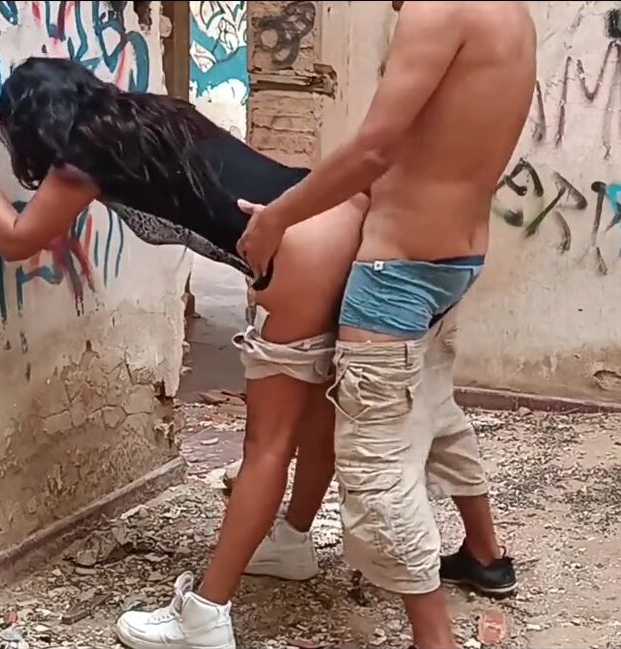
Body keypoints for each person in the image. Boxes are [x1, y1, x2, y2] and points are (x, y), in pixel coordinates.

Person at [0, 58, 362, 649]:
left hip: (298, 251)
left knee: (268, 445)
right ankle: (291, 541)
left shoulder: (84, 160)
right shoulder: (153, 115)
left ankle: (205, 615)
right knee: (317, 413)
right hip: (336, 214)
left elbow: (14, 238)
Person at [236, 2, 536, 647]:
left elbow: (376, 147)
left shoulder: (436, 10)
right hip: (456, 258)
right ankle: (484, 555)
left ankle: (433, 637)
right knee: (433, 408)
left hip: (398, 272)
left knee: (374, 463)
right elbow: (442, 142)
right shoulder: (510, 14)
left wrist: (276, 218)